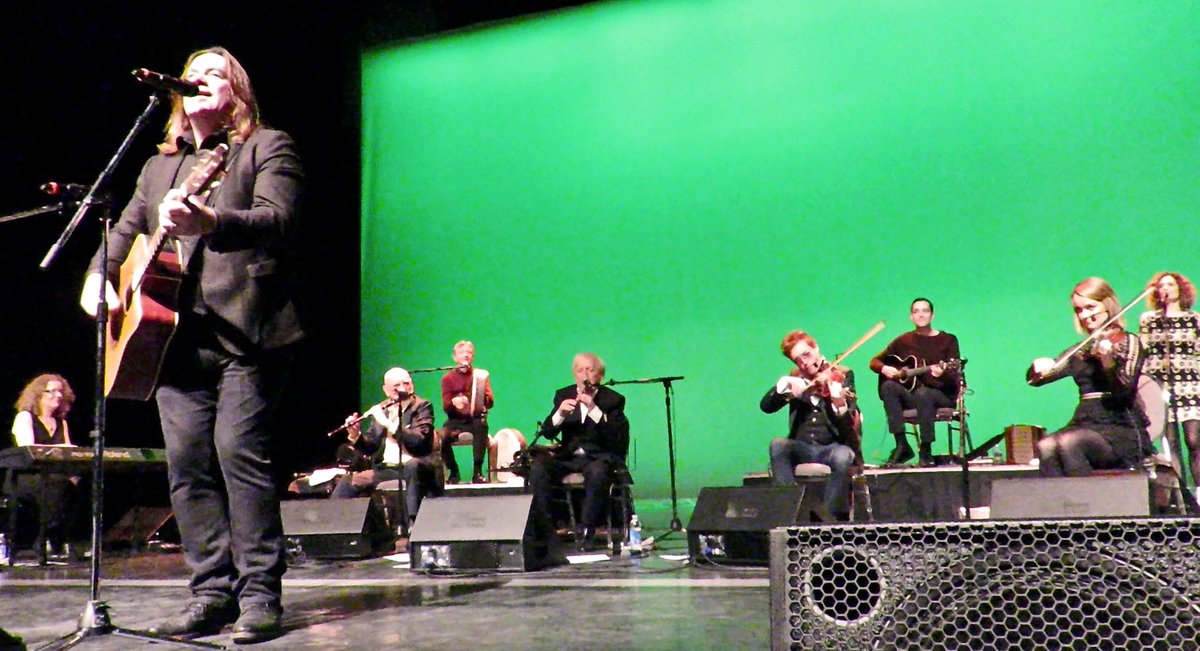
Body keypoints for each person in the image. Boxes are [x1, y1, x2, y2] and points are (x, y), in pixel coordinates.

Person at [79, 47, 303, 643]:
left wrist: (211, 222)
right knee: (186, 467)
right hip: (172, 342)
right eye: (193, 73)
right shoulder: (158, 168)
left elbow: (277, 219)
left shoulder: (266, 146)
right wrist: (99, 276)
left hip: (248, 331)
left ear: (237, 92)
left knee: (238, 454)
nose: (200, 79)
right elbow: (124, 232)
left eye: (215, 73)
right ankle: (211, 593)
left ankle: (260, 595)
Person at [1029, 277, 1151, 477]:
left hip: (1119, 426)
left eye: (1090, 307)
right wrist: (1038, 367)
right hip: (1085, 421)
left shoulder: (1128, 341)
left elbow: (1124, 393)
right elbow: (1037, 381)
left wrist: (1108, 363)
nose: (1084, 315)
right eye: (1079, 310)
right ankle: (1059, 497)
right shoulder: (1081, 350)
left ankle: (1085, 498)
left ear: (1107, 305)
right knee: (1046, 446)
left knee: (1070, 443)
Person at [529, 353, 628, 550]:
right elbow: (548, 432)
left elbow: (617, 438)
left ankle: (588, 531)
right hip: (568, 456)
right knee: (539, 467)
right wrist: (560, 414)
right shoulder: (563, 395)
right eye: (580, 370)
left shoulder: (612, 399)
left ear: (600, 375)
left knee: (598, 472)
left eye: (590, 370)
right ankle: (547, 530)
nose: (585, 375)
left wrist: (593, 409)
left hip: (597, 457)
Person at [762, 330, 858, 519]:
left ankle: (827, 517)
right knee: (778, 444)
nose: (804, 363)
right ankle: (789, 510)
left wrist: (839, 403)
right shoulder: (795, 377)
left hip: (831, 447)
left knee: (843, 455)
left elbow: (848, 424)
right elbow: (766, 407)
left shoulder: (842, 373)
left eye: (806, 354)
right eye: (797, 360)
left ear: (816, 348)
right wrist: (783, 386)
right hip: (802, 447)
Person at [331, 368, 440, 529]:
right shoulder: (382, 409)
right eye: (397, 386)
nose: (403, 388)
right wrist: (355, 435)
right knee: (348, 482)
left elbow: (419, 440)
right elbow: (370, 448)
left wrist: (388, 423)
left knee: (412, 465)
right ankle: (334, 528)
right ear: (386, 390)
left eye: (407, 383)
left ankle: (412, 526)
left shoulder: (422, 406)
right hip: (388, 469)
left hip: (417, 466)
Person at [870, 298, 962, 466]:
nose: (920, 315)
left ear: (932, 315)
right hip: (915, 396)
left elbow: (954, 375)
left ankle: (926, 450)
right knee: (889, 387)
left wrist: (941, 374)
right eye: (916, 311)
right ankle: (902, 445)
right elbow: (874, 362)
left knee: (923, 393)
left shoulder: (948, 340)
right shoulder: (904, 340)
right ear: (911, 317)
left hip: (942, 396)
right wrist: (884, 369)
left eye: (925, 311)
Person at [1138, 272, 1200, 486]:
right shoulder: (1149, 319)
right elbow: (1143, 351)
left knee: (1194, 440)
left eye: (1170, 284)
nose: (1165, 288)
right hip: (1160, 385)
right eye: (1161, 285)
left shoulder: (1194, 319)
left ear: (1180, 288)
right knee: (1171, 442)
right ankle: (1181, 493)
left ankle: (1199, 491)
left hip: (1190, 385)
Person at [9, 374, 80, 557]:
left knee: (77, 484)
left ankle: (58, 538)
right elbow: (28, 451)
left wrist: (74, 475)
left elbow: (68, 455)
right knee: (57, 484)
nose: (59, 395)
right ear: (38, 394)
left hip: (53, 475)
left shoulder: (61, 422)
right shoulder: (25, 417)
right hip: (25, 476)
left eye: (61, 391)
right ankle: (48, 537)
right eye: (52, 391)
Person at [440, 341, 493, 484]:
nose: (466, 355)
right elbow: (446, 406)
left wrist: (483, 400)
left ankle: (477, 472)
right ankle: (453, 471)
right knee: (441, 437)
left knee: (481, 426)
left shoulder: (480, 376)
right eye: (462, 353)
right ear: (455, 357)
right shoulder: (447, 378)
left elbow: (490, 401)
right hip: (455, 421)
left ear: (473, 357)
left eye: (469, 353)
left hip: (474, 419)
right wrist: (454, 402)